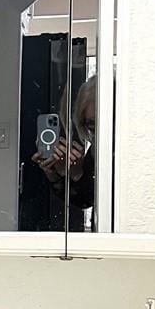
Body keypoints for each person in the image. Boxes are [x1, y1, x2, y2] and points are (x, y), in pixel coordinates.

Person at [32, 75, 96, 225]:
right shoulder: (96, 148)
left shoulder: (121, 148)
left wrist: (77, 174)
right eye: (90, 124)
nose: (96, 129)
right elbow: (85, 200)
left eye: (100, 120)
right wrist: (60, 173)